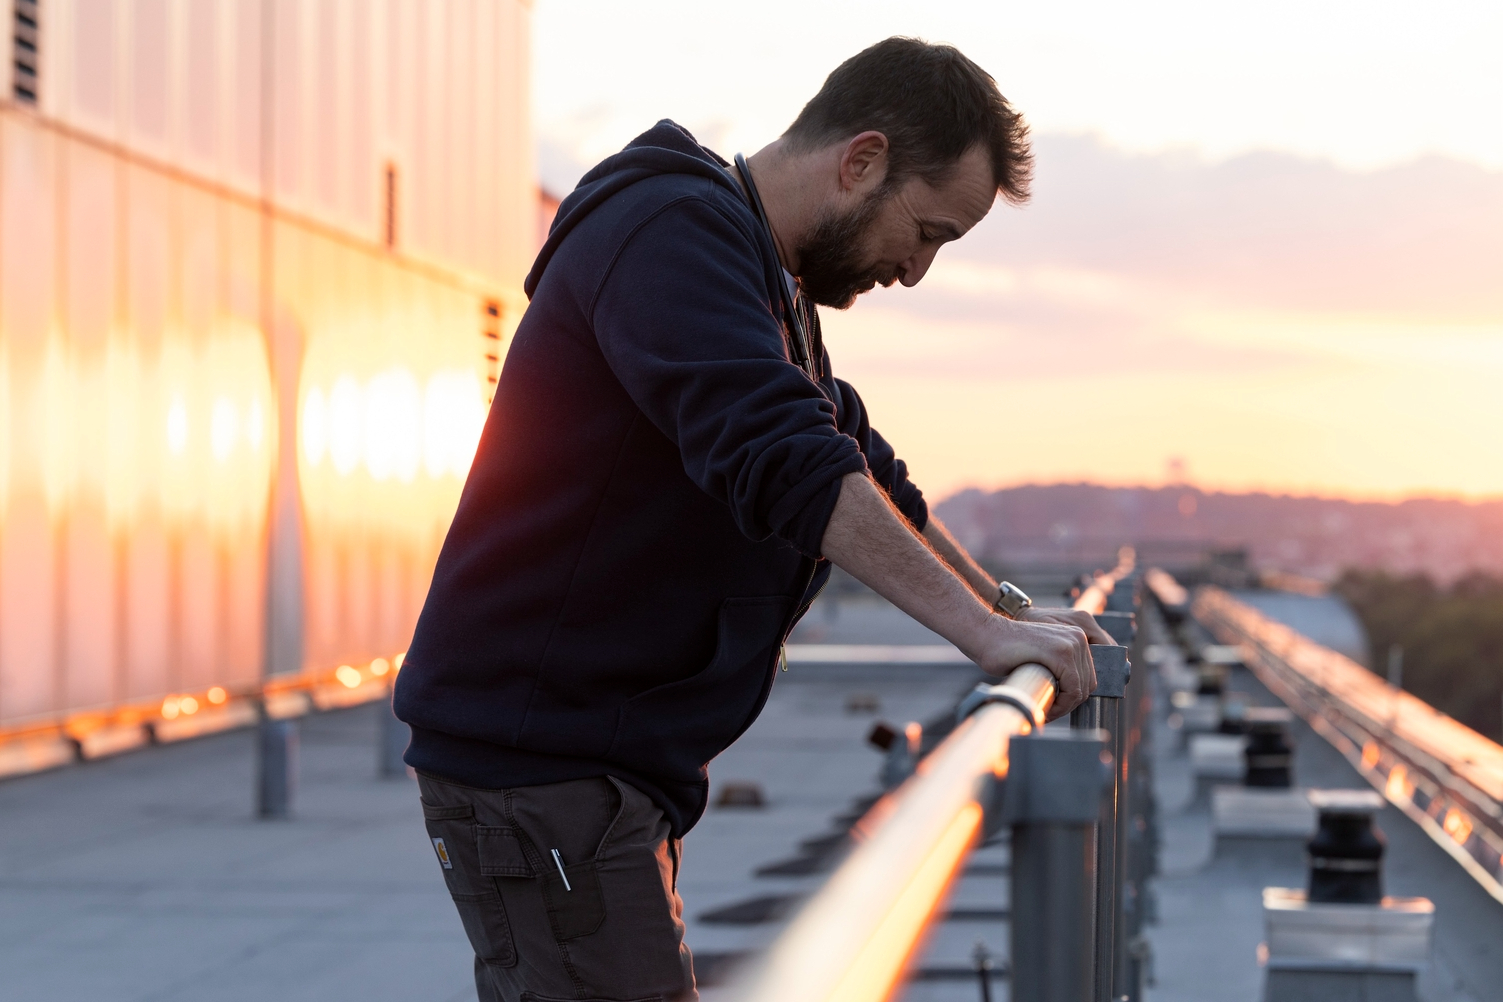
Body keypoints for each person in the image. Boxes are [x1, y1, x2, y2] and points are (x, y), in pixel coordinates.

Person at [395, 35, 1110, 1002]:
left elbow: (862, 466)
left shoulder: (760, 280)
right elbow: (788, 462)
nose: (915, 272)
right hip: (541, 770)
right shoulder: (668, 235)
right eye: (930, 231)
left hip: (592, 774)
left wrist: (1008, 612)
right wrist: (983, 633)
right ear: (861, 161)